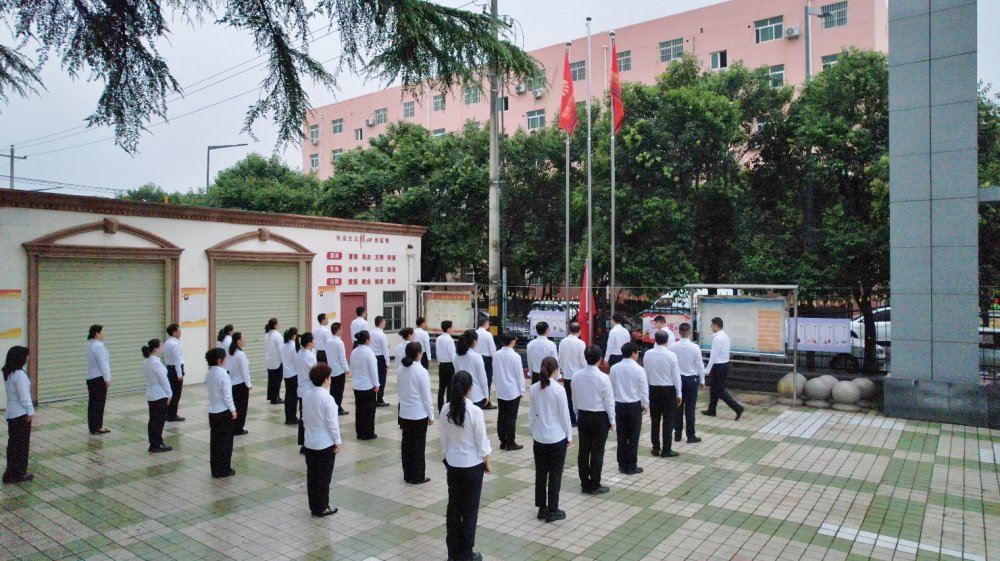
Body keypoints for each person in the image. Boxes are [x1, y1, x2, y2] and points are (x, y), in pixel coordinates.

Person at [440, 371, 492, 561]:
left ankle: (453, 552)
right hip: (472, 466)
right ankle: (466, 553)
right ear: (470, 388)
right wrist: (487, 462)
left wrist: (447, 457)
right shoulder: (474, 411)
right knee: (470, 511)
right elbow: (481, 441)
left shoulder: (445, 409)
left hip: (453, 464)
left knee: (454, 508)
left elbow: (444, 440)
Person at [529, 356, 572, 523]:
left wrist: (535, 431)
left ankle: (541, 508)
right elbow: (564, 416)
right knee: (555, 474)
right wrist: (569, 435)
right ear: (555, 370)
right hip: (556, 438)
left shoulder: (534, 388)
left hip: (539, 438)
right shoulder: (558, 390)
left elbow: (532, 415)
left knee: (540, 473)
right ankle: (553, 509)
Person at [574, 345, 615, 495]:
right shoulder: (603, 378)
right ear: (600, 359)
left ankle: (585, 483)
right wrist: (612, 420)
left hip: (583, 415)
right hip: (599, 417)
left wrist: (577, 414)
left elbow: (574, 398)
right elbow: (608, 401)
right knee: (598, 451)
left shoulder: (576, 376)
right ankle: (595, 484)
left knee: (584, 450)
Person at [302, 363, 341, 517]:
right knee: (324, 477)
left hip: (310, 441)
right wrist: (337, 441)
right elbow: (332, 423)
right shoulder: (327, 398)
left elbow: (304, 418)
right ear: (325, 379)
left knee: (312, 476)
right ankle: (323, 506)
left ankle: (314, 506)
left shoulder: (307, 395)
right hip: (324, 443)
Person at [397, 341, 434, 484]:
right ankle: (418, 476)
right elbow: (426, 396)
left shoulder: (401, 369)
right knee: (418, 446)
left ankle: (408, 474)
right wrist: (431, 415)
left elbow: (400, 391)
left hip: (405, 413)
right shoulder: (421, 371)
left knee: (406, 445)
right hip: (418, 414)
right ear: (419, 354)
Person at [609, 343, 648, 475]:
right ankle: (631, 465)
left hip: (619, 406)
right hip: (634, 406)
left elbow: (611, 388)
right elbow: (643, 389)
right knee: (633, 437)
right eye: (637, 352)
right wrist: (646, 405)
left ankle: (622, 464)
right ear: (633, 353)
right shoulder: (639, 369)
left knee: (621, 436)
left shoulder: (614, 368)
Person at [644, 331, 682, 457]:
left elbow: (646, 374)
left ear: (655, 340)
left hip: (653, 389)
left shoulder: (648, 354)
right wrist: (679, 393)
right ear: (667, 341)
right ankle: (667, 449)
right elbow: (676, 376)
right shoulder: (671, 355)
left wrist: (646, 391)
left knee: (655, 420)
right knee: (668, 420)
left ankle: (655, 447)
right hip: (668, 390)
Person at [702, 317, 744, 420]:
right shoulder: (725, 336)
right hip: (723, 365)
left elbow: (713, 356)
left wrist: (707, 369)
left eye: (712, 325)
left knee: (719, 390)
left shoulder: (718, 338)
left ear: (716, 325)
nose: (711, 327)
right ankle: (711, 410)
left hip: (719, 366)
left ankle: (738, 408)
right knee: (713, 389)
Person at [3, 346, 33, 484]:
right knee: (21, 445)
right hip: (21, 414)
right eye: (26, 356)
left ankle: (11, 473)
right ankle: (19, 473)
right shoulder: (19, 374)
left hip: (12, 413)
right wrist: (30, 410)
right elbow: (24, 396)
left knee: (13, 445)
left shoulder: (9, 372)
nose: (28, 358)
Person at [670, 323, 704, 444]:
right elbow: (699, 364)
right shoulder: (695, 347)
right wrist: (702, 379)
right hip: (691, 380)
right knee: (690, 409)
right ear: (690, 332)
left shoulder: (673, 346)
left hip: (677, 379)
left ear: (679, 332)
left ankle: (677, 434)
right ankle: (691, 436)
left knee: (677, 408)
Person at [205, 348, 236, 478]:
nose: (226, 359)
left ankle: (216, 469)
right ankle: (224, 469)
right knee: (225, 443)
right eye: (225, 357)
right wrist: (233, 410)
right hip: (223, 411)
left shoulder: (209, 373)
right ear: (220, 360)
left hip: (213, 411)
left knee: (215, 442)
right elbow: (227, 395)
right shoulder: (223, 374)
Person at [493, 332, 525, 451]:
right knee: (511, 417)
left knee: (501, 416)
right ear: (512, 341)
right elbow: (519, 375)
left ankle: (503, 440)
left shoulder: (496, 355)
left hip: (501, 390)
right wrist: (522, 390)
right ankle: (511, 442)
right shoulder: (515, 356)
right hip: (512, 391)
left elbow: (495, 371)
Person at [142, 339, 172, 453]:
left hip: (151, 394)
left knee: (153, 420)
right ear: (155, 349)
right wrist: (169, 394)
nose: (162, 349)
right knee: (159, 421)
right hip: (160, 395)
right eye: (161, 347)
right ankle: (156, 444)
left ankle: (155, 442)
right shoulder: (156, 364)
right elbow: (164, 381)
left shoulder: (146, 361)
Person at [350, 330, 380, 440]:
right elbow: (373, 370)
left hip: (357, 385)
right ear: (367, 340)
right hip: (368, 386)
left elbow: (352, 367)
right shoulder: (369, 352)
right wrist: (376, 384)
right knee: (369, 411)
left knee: (359, 410)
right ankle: (369, 433)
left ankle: (360, 432)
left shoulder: (354, 352)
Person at [558, 322, 586, 427]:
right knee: (579, 397)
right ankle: (579, 417)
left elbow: (560, 358)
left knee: (568, 397)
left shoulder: (563, 342)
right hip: (578, 375)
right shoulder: (581, 343)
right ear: (580, 331)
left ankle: (571, 419)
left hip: (567, 375)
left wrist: (563, 369)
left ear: (569, 330)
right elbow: (583, 360)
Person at [85, 324, 112, 435]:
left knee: (92, 403)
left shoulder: (90, 345)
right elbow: (103, 364)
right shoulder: (99, 346)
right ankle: (97, 427)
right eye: (102, 332)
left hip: (91, 377)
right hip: (99, 378)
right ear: (97, 333)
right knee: (99, 403)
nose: (104, 334)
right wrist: (107, 379)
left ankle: (92, 426)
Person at [453, 330, 489, 409]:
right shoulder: (477, 357)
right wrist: (486, 394)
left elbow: (456, 374)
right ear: (474, 341)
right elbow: (482, 378)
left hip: (461, 393)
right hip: (476, 395)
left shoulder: (456, 356)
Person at [296, 332, 318, 449]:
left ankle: (303, 443)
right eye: (314, 340)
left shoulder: (300, 353)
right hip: (309, 390)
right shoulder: (309, 356)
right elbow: (315, 373)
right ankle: (308, 444)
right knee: (309, 418)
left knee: (303, 417)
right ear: (309, 342)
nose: (315, 341)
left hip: (301, 389)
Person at [228, 332, 252, 436]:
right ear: (238, 340)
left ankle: (234, 427)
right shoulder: (241, 354)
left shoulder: (232, 353)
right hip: (241, 384)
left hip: (233, 383)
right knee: (242, 408)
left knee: (236, 406)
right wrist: (248, 383)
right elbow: (244, 371)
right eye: (243, 338)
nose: (245, 340)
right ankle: (239, 428)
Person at [323, 322, 350, 415]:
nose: (342, 330)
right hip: (339, 370)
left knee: (333, 390)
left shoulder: (328, 341)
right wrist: (346, 369)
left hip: (331, 369)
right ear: (337, 330)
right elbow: (342, 357)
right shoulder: (339, 342)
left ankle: (332, 407)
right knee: (339, 391)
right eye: (341, 329)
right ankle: (338, 408)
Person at [162, 324, 186, 422]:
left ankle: (168, 413)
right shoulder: (175, 344)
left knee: (170, 392)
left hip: (169, 368)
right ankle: (172, 415)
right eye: (178, 330)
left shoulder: (167, 343)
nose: (180, 332)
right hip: (176, 369)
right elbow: (177, 360)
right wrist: (179, 374)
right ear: (174, 332)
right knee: (176, 393)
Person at [474, 318, 498, 410]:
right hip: (486, 360)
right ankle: (486, 401)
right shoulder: (488, 334)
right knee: (487, 380)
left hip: (476, 357)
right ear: (486, 323)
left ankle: (478, 399)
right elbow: (492, 349)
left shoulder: (475, 333)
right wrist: (495, 361)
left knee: (477, 380)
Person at [435, 320, 456, 412]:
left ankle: (440, 408)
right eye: (452, 327)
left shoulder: (438, 338)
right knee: (450, 388)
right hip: (449, 365)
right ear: (448, 329)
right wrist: (456, 367)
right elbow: (452, 355)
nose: (453, 329)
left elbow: (437, 352)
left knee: (441, 388)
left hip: (441, 365)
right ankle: (448, 408)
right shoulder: (450, 340)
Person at [281, 328, 301, 425]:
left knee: (288, 395)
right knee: (293, 397)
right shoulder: (293, 346)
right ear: (294, 335)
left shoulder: (284, 345)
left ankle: (288, 416)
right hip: (294, 374)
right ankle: (292, 417)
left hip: (286, 373)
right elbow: (297, 361)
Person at [370, 316, 391, 407]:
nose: (385, 323)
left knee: (373, 377)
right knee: (381, 379)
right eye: (384, 322)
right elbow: (385, 350)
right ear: (381, 323)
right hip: (380, 358)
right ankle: (379, 399)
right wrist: (387, 363)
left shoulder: (370, 332)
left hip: (372, 357)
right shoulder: (382, 335)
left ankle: (372, 398)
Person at [264, 318, 284, 405]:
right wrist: (283, 360)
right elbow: (280, 350)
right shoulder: (277, 335)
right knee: (277, 380)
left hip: (269, 360)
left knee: (271, 380)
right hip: (277, 361)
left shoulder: (267, 335)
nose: (279, 324)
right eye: (278, 323)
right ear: (275, 325)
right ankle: (276, 398)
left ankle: (272, 397)